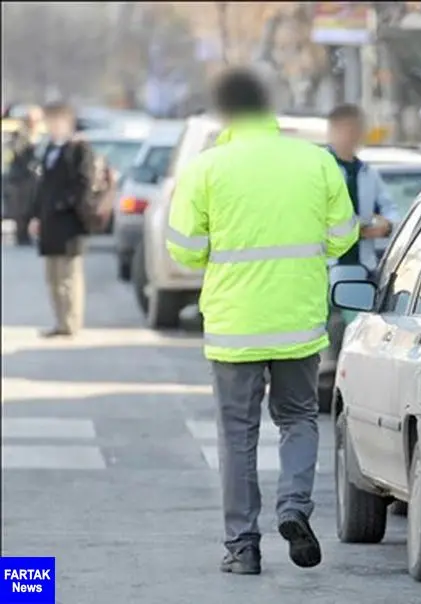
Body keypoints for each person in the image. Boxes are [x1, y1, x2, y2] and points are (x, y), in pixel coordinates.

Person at [166, 68, 358, 575]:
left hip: (235, 327)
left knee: (237, 434)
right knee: (298, 419)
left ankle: (242, 547)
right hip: (298, 321)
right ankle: (294, 506)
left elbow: (183, 249)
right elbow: (343, 236)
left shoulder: (208, 168)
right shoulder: (315, 161)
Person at [27, 103, 94, 338]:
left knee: (69, 276)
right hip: (49, 223)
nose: (52, 126)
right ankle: (59, 321)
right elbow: (42, 187)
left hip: (69, 223)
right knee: (53, 277)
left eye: (56, 121)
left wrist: (61, 205)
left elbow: (83, 184)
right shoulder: (49, 150)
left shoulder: (79, 150)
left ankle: (71, 323)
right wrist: (36, 215)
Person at [324, 103, 402, 273]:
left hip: (364, 268)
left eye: (358, 130)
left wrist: (387, 226)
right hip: (329, 267)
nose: (354, 136)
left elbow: (391, 210)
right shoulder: (320, 169)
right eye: (348, 130)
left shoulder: (367, 173)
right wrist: (354, 229)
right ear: (333, 131)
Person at [6, 106, 44, 246]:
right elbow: (18, 153)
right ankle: (21, 235)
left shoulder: (38, 134)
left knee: (30, 208)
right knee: (21, 209)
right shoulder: (20, 135)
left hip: (32, 179)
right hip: (20, 180)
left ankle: (26, 234)